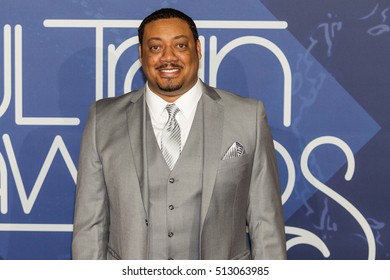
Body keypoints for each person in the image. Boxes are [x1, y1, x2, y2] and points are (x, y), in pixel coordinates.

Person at [72, 7, 287, 260]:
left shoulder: (247, 116)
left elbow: (266, 223)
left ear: (197, 50)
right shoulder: (103, 119)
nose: (168, 57)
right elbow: (90, 227)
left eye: (180, 46)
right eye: (155, 47)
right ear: (141, 55)